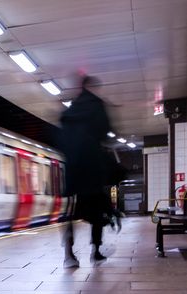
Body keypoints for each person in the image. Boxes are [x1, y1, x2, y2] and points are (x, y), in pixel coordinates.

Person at [58, 75, 114, 268]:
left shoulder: (70, 111)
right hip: (91, 169)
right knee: (97, 213)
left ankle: (68, 255)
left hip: (73, 171)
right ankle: (96, 251)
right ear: (92, 87)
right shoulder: (97, 106)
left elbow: (62, 138)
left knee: (70, 213)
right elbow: (106, 131)